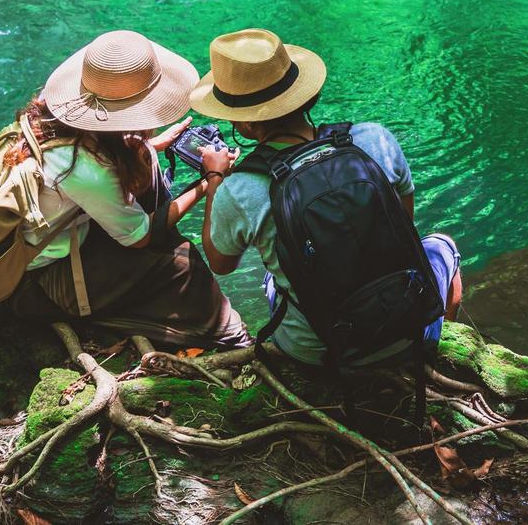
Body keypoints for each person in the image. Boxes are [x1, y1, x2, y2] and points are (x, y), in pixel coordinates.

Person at [188, 28, 461, 366]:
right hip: (406, 326)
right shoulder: (374, 139)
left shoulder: (241, 188)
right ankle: (428, 345)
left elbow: (221, 263)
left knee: (273, 279)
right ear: (304, 96)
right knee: (442, 245)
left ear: (244, 125)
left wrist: (215, 177)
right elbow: (404, 225)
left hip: (321, 352)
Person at [5, 29, 249, 350]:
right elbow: (140, 238)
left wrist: (151, 147)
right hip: (49, 281)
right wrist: (208, 180)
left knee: (146, 176)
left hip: (40, 248)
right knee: (183, 263)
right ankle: (233, 340)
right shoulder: (84, 167)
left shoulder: (51, 120)